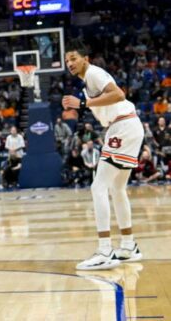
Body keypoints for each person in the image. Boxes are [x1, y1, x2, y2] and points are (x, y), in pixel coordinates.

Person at [62, 40, 142, 270]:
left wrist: (84, 103)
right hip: (126, 126)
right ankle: (128, 245)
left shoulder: (94, 73)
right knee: (117, 188)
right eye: (67, 60)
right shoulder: (90, 79)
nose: (70, 63)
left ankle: (105, 250)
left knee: (98, 187)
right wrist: (83, 105)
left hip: (123, 126)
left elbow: (118, 94)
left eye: (74, 58)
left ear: (85, 58)